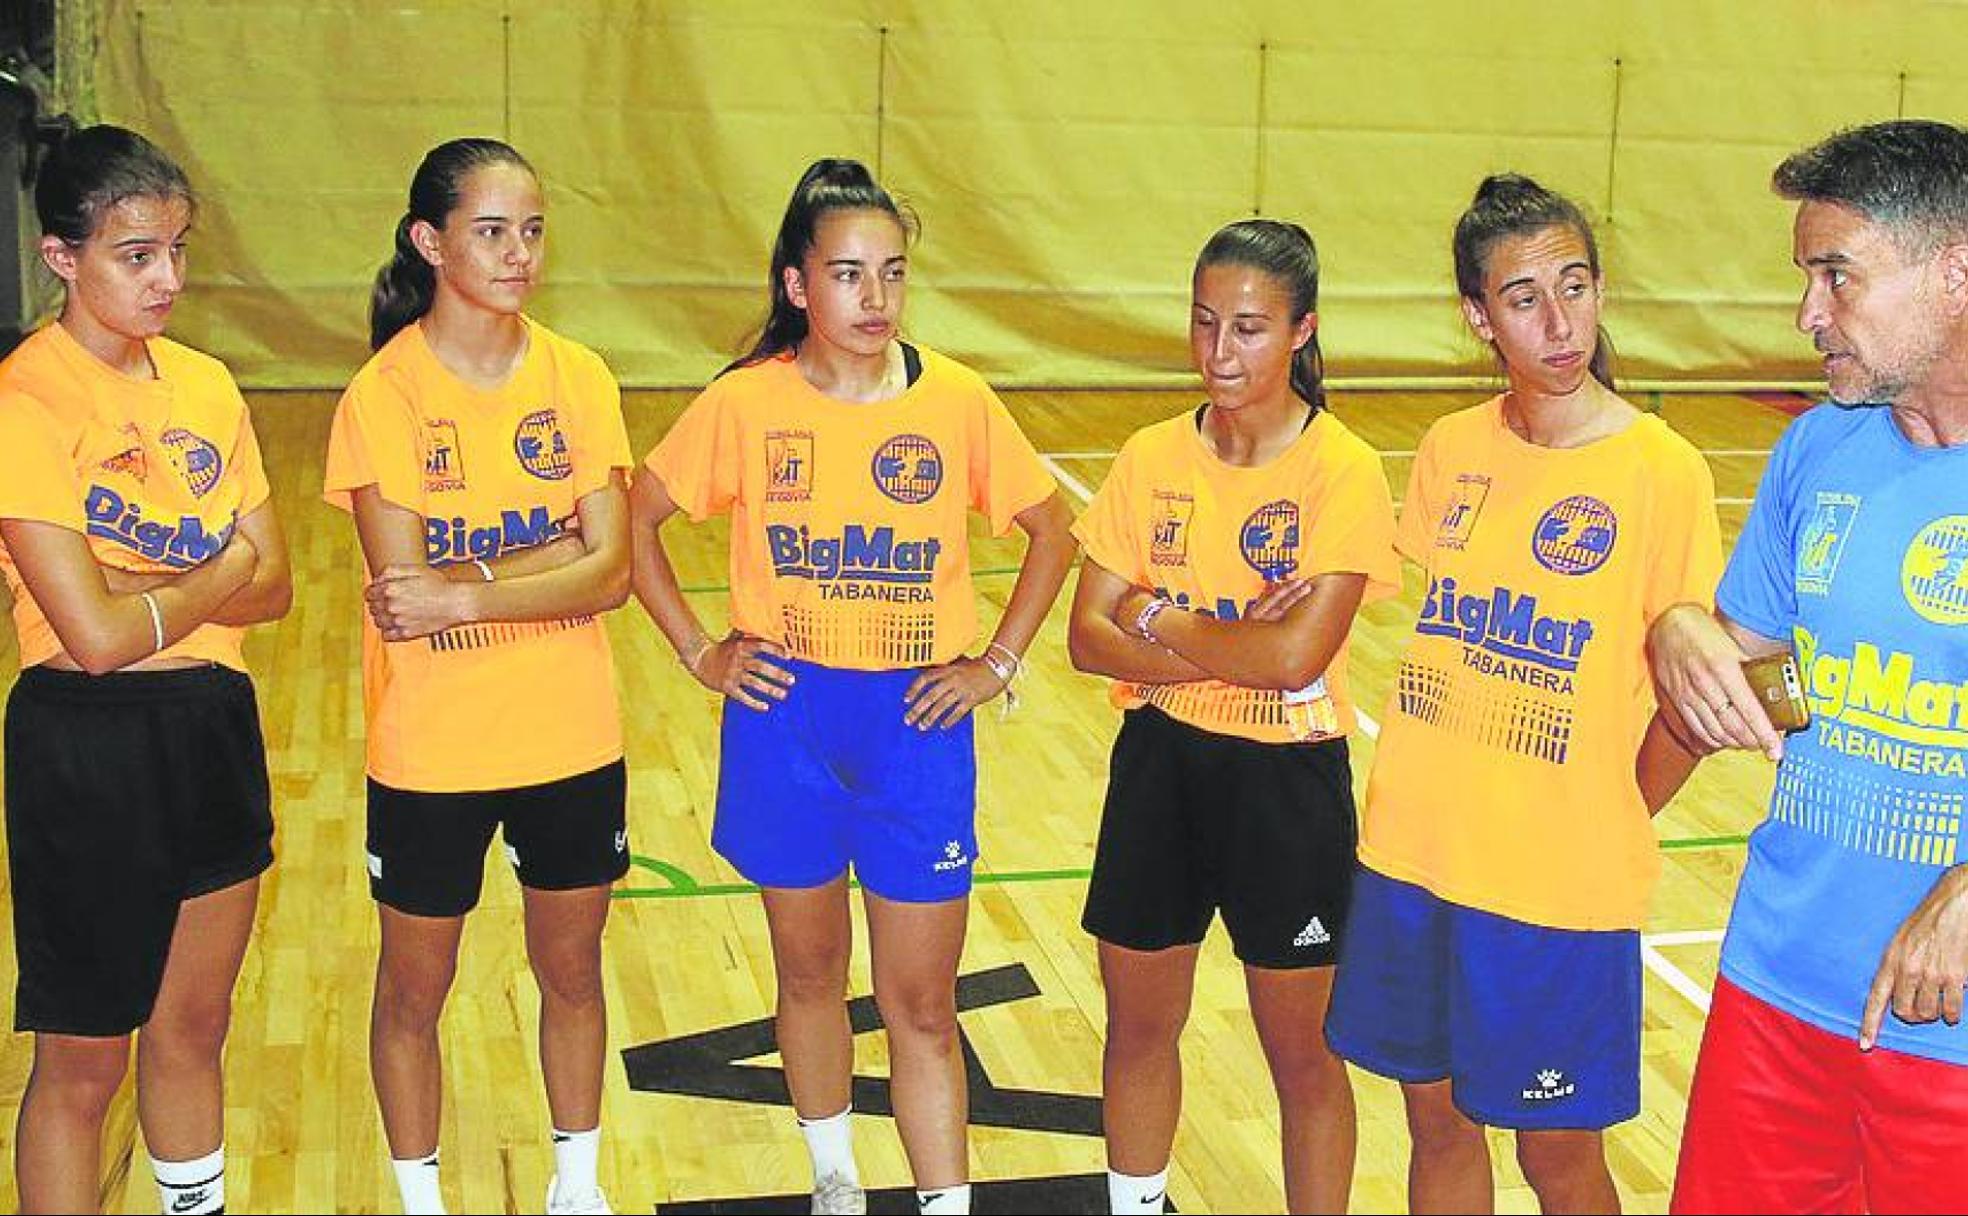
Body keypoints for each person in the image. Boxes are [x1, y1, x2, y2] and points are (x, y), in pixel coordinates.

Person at [628, 157, 1076, 1216]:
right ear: (797, 285)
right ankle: (833, 1177)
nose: (875, 297)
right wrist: (700, 651)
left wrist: (997, 662)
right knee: (809, 974)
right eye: (847, 274)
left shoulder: (956, 400)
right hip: (785, 719)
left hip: (914, 726)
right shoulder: (746, 403)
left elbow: (1054, 530)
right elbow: (635, 521)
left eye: (893, 273)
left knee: (921, 1002)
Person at [1322, 174, 1722, 1214]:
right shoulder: (1451, 449)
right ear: (1478, 316)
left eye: (1575, 287)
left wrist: (1603, 812)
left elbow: (1692, 709)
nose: (1559, 322)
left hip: (1556, 886)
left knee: (1557, 1159)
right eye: (1524, 298)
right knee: (1437, 1128)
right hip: (1413, 854)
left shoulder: (1662, 472)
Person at [1650, 119, 1968, 1215]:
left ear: (1956, 270)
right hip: (1777, 987)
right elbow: (1765, 679)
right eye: (1806, 277)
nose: (1807, 314)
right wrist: (1680, 633)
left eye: (1837, 276)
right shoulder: (1818, 449)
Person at [323, 138, 632, 1216]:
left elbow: (613, 571)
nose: (518, 254)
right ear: (430, 241)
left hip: (571, 734)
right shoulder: (383, 395)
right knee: (415, 990)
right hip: (434, 747)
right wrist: (550, 555)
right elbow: (403, 590)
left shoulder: (579, 377)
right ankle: (421, 1201)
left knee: (574, 973)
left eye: (532, 230)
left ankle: (578, 1187)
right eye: (492, 231)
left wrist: (470, 592)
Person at [1067, 219, 1400, 1215]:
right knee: (1137, 1029)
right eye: (1204, 322)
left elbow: (1296, 661)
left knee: (1303, 1057)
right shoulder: (1149, 456)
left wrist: (1156, 615)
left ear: (1302, 331)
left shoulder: (1342, 470)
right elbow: (1085, 637)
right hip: (1159, 767)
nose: (1219, 352)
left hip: (1286, 787)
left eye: (1249, 328)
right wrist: (1234, 641)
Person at [0, 124, 291, 1214]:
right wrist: (215, 568)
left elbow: (278, 583)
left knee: (193, 1026)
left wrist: (138, 582)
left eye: (177, 249)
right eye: (135, 254)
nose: (167, 277)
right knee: (84, 1061)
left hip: (214, 722)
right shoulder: (26, 402)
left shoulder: (209, 386)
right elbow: (96, 639)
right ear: (61, 257)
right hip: (85, 740)